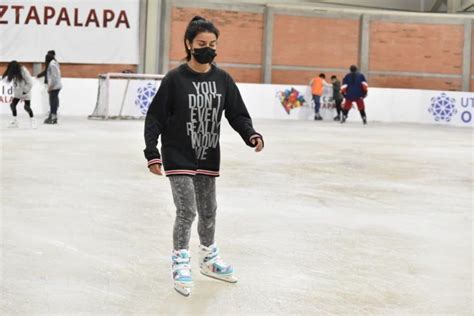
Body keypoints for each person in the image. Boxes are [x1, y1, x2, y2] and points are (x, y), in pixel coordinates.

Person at [143, 16, 264, 297]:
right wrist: (152, 152)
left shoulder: (222, 79)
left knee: (209, 210)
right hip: (178, 154)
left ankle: (208, 259)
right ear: (189, 44)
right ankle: (180, 261)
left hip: (207, 154)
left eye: (212, 44)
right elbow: (156, 117)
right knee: (187, 210)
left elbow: (237, 113)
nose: (207, 48)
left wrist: (251, 134)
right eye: (201, 43)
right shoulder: (175, 79)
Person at [2, 61, 36, 128]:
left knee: (27, 107)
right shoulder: (14, 72)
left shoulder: (23, 70)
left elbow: (30, 82)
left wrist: (25, 91)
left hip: (25, 92)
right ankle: (15, 121)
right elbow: (6, 79)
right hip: (18, 92)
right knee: (12, 105)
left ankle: (33, 120)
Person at [44, 53, 62, 124]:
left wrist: (50, 87)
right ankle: (52, 115)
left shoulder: (52, 65)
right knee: (53, 102)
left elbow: (54, 77)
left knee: (53, 102)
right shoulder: (55, 63)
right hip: (55, 86)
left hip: (54, 86)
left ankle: (53, 117)